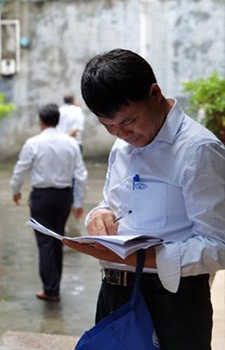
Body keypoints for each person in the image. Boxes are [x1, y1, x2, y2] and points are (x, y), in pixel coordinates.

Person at [64, 48, 225, 350]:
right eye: (108, 126)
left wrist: (140, 258)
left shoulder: (198, 150)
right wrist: (99, 216)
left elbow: (219, 246)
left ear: (154, 93)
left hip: (173, 303)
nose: (121, 133)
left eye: (128, 121)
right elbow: (114, 203)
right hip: (114, 294)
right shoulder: (121, 148)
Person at [10, 103, 87, 301]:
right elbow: (80, 174)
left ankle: (50, 289)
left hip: (42, 197)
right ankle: (54, 287)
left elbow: (21, 169)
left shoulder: (33, 143)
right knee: (57, 239)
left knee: (45, 242)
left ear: (40, 121)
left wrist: (15, 190)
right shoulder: (70, 143)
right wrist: (78, 202)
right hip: (64, 197)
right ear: (58, 121)